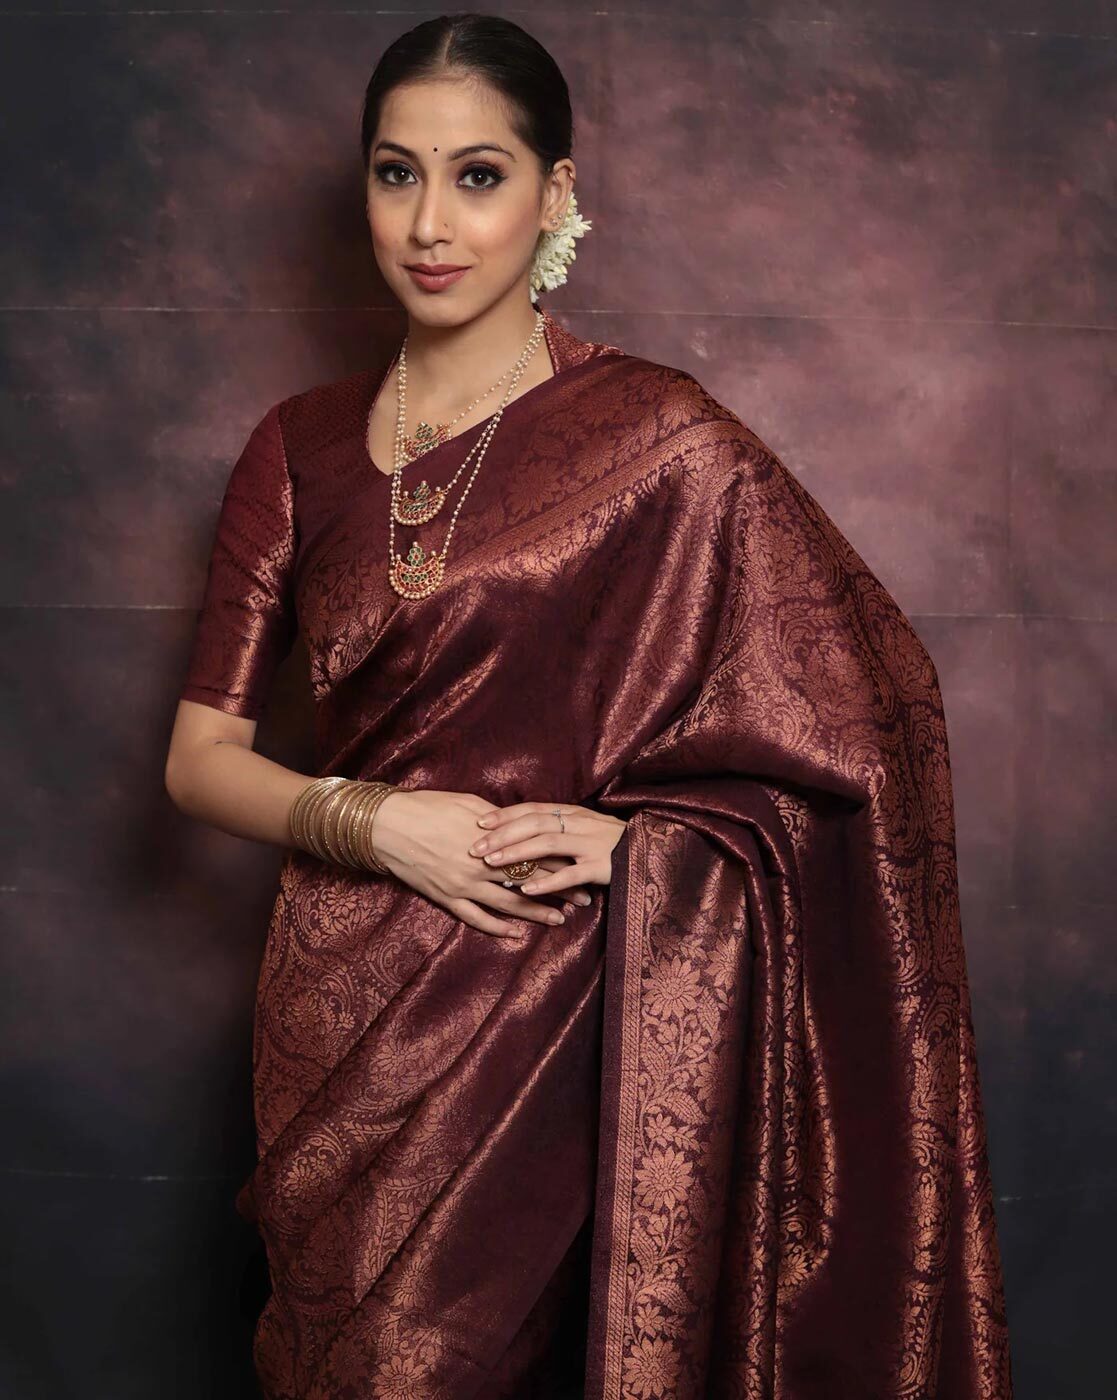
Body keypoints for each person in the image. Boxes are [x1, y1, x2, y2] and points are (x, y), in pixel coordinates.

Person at [164, 12, 1014, 1399]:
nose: (430, 222)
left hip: (569, 1010)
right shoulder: (300, 446)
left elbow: (869, 728)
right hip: (338, 1012)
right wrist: (375, 826)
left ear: (555, 193)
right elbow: (200, 762)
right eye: (396, 174)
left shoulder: (657, 436)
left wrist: (645, 851)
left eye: (478, 175)